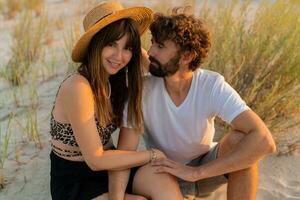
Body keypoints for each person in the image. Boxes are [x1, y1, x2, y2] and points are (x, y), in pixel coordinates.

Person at [112, 11, 277, 199]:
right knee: (152, 170)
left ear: (187, 56)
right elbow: (123, 155)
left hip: (205, 169)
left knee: (243, 143)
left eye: (160, 46)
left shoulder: (211, 85)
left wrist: (196, 173)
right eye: (152, 43)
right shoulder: (142, 91)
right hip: (163, 170)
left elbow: (265, 141)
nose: (150, 52)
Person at [49, 2, 183, 200]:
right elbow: (95, 159)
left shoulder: (118, 75)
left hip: (113, 165)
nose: (119, 56)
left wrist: (140, 52)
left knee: (162, 181)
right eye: (111, 44)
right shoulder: (78, 87)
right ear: (95, 44)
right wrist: (152, 154)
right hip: (76, 179)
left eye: (127, 47)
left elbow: (163, 72)